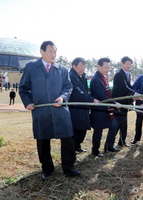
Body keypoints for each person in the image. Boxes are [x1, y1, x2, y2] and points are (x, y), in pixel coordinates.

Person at [19, 41, 80, 181]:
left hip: (61, 110)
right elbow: (23, 88)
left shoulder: (62, 69)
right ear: (41, 52)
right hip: (41, 111)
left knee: (68, 139)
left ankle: (68, 167)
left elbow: (68, 87)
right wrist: (27, 102)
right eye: (50, 51)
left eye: (55, 51)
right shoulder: (31, 67)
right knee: (42, 140)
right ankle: (47, 169)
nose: (53, 54)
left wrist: (63, 98)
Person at [69, 57, 99, 158]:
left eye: (84, 66)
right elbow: (77, 92)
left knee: (83, 128)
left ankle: (77, 146)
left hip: (83, 107)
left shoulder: (82, 77)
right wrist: (91, 100)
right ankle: (72, 152)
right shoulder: (71, 76)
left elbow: (85, 91)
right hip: (75, 108)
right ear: (74, 66)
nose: (83, 68)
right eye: (81, 66)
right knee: (76, 130)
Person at [90, 58, 121, 157]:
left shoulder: (104, 77)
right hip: (99, 108)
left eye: (109, 68)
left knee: (114, 125)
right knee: (98, 130)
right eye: (105, 67)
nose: (107, 70)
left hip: (107, 108)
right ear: (99, 66)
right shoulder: (96, 79)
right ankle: (95, 150)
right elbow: (101, 96)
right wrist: (114, 102)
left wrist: (112, 102)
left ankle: (109, 146)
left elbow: (108, 93)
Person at [111, 56, 138, 147]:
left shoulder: (128, 74)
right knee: (118, 123)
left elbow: (129, 86)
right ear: (122, 63)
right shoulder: (119, 74)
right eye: (127, 64)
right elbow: (123, 87)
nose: (129, 66)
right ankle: (111, 142)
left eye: (130, 64)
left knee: (124, 123)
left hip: (125, 102)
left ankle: (122, 141)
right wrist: (133, 94)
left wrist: (134, 95)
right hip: (119, 102)